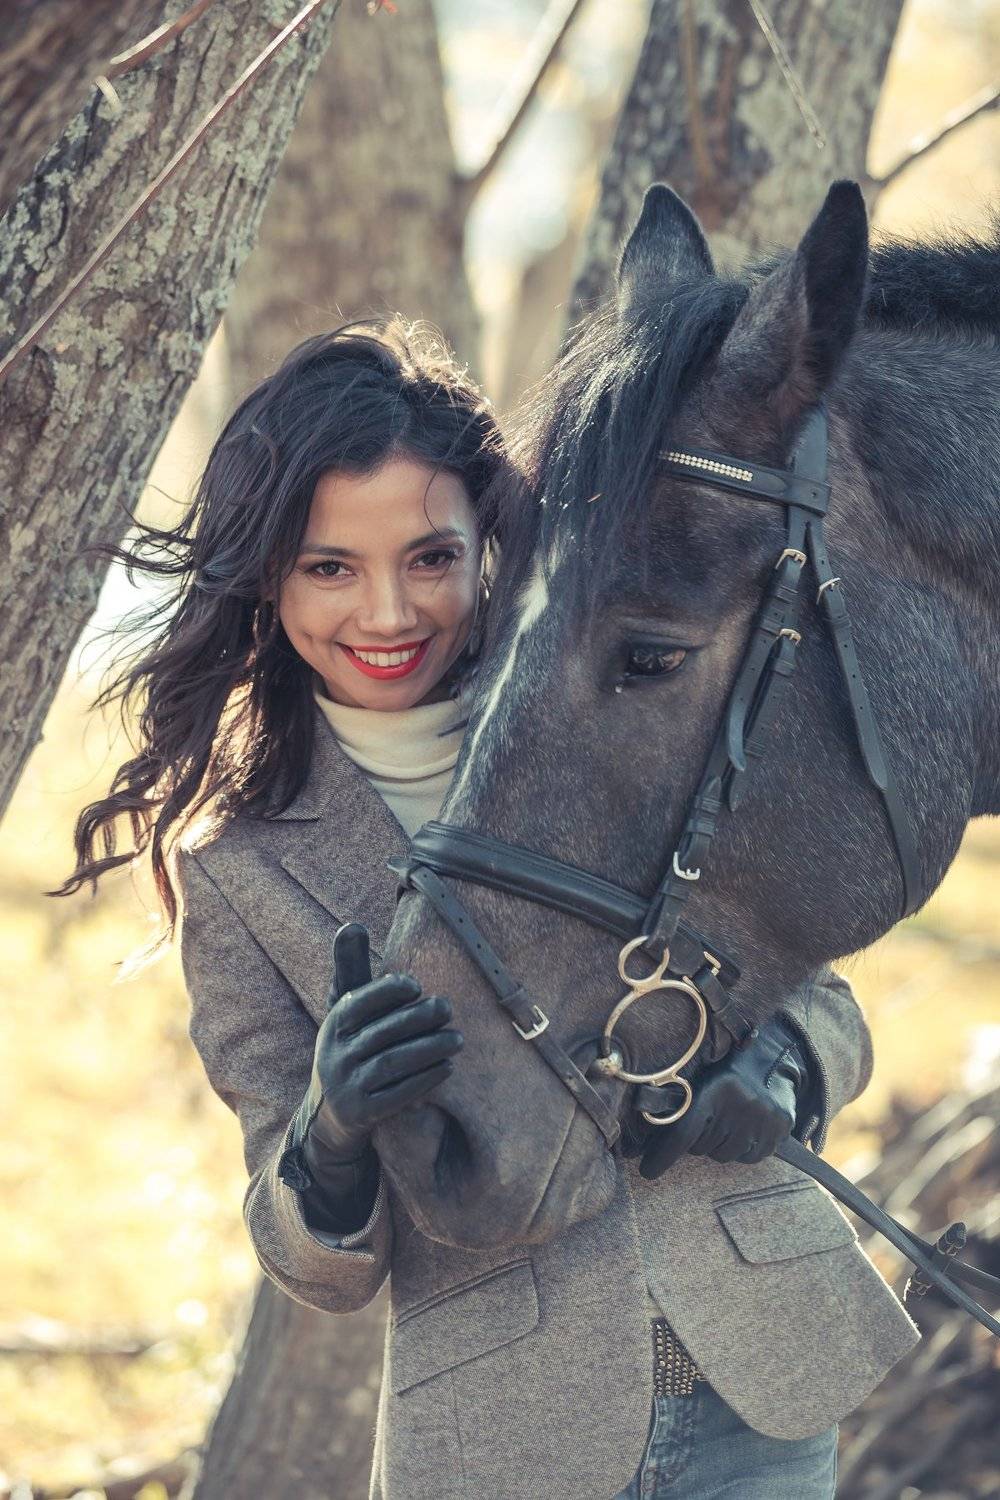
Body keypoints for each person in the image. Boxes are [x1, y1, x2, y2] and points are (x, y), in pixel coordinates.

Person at [57, 318, 919, 1500]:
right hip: (508, 1434)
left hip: (759, 1373)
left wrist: (783, 1069)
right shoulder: (240, 869)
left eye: (429, 558)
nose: (386, 614)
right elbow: (315, 1267)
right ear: (263, 577)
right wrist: (328, 1135)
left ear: (487, 546)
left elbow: (817, 990)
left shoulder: (620, 716)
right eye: (328, 568)